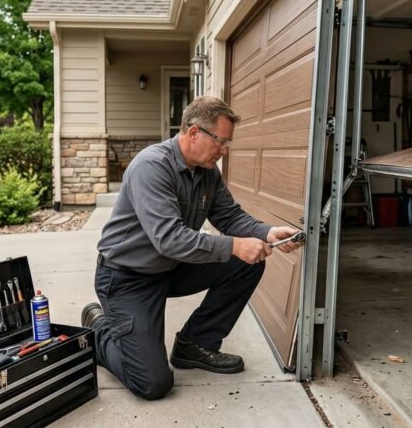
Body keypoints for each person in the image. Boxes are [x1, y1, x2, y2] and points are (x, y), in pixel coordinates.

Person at [82, 96, 305, 400]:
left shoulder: (207, 171)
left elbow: (229, 216)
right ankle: (100, 329)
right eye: (222, 141)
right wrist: (235, 245)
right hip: (127, 279)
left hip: (169, 269)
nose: (225, 150)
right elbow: (170, 238)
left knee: (245, 263)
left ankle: (195, 344)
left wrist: (267, 233)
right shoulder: (152, 167)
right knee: (152, 383)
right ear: (194, 132)